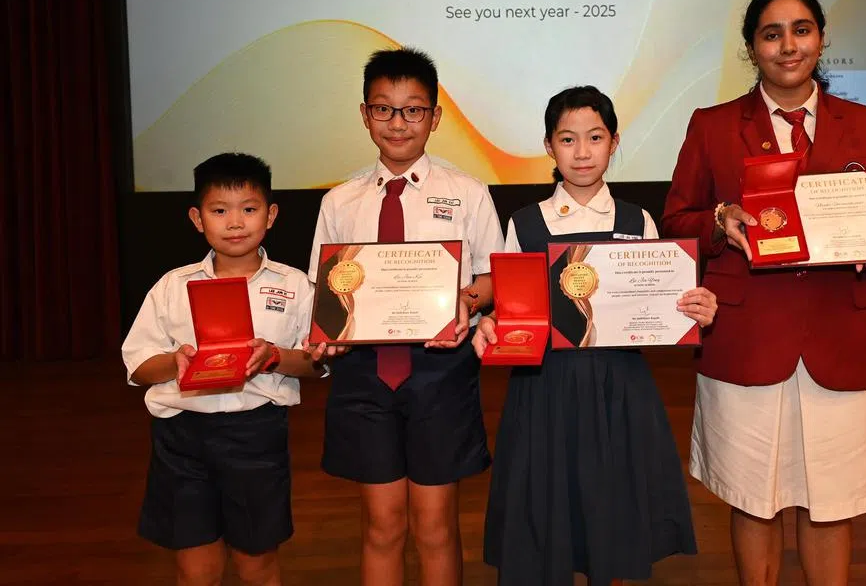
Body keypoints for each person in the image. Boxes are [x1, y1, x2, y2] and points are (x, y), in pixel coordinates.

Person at [661, 0, 866, 585]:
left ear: (821, 37)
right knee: (755, 494)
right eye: (771, 34)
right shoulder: (713, 125)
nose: (788, 45)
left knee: (834, 497)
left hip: (840, 333)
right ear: (753, 48)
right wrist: (721, 220)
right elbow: (676, 221)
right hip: (748, 336)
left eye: (801, 30)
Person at [473, 85, 718, 586]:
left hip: (618, 387)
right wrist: (494, 325)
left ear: (614, 142)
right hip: (544, 389)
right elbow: (514, 309)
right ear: (548, 147)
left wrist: (694, 308)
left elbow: (659, 305)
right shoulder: (524, 223)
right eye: (567, 139)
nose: (582, 152)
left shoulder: (638, 220)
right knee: (548, 516)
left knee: (614, 515)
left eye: (595, 137)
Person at [307, 48, 504, 586]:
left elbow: (494, 278)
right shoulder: (339, 202)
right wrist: (329, 332)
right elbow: (324, 289)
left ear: (435, 117)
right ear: (365, 114)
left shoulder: (466, 194)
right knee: (381, 524)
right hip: (364, 376)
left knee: (436, 525)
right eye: (384, 109)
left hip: (441, 373)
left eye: (413, 110)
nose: (398, 123)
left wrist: (465, 300)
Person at [121, 152, 324, 586]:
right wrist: (174, 364)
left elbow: (315, 364)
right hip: (181, 438)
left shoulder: (295, 287)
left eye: (248, 210)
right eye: (219, 211)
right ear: (197, 218)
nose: (235, 223)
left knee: (257, 564)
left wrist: (273, 356)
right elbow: (138, 366)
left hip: (256, 436)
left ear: (270, 215)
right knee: (195, 568)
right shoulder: (172, 286)